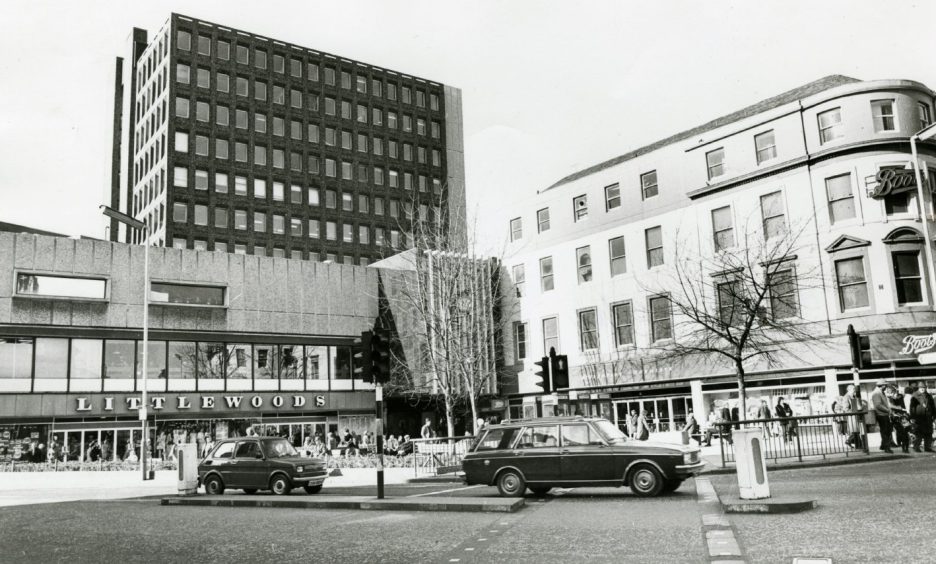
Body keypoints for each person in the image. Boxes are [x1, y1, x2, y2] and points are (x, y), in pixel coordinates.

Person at [909, 382, 935, 452]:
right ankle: (916, 447)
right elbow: (912, 407)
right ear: (918, 388)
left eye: (924, 387)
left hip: (928, 417)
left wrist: (934, 415)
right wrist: (912, 417)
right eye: (921, 388)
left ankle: (927, 447)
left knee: (929, 433)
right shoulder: (915, 395)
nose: (923, 389)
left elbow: (933, 406)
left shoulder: (928, 396)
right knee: (919, 433)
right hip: (919, 417)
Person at [870, 379, 894, 453]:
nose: (886, 387)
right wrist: (888, 410)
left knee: (886, 430)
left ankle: (883, 445)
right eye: (885, 385)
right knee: (885, 431)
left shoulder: (880, 392)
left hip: (883, 414)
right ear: (882, 385)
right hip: (881, 415)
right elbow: (878, 405)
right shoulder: (876, 393)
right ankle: (887, 447)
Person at [888, 385, 911, 454]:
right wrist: (900, 408)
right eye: (891, 393)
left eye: (893, 392)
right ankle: (903, 446)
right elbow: (891, 406)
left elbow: (902, 406)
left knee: (904, 432)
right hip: (896, 418)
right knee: (901, 432)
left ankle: (905, 447)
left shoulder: (900, 397)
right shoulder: (889, 399)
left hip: (903, 417)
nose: (893, 394)